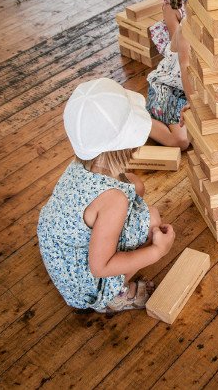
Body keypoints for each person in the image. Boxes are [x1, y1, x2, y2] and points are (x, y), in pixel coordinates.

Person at [37, 78, 175, 313]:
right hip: (85, 282)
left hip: (60, 252)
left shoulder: (82, 162)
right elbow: (100, 267)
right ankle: (115, 296)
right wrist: (157, 251)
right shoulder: (113, 199)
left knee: (135, 185)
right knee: (152, 219)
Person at [137, 0, 218, 149]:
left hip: (196, 85)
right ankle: (135, 117)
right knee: (182, 141)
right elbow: (185, 67)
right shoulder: (185, 28)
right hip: (172, 88)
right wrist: (195, 105)